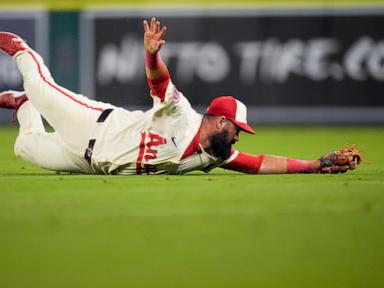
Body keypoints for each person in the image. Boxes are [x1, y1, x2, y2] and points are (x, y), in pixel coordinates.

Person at [0, 18, 361, 175]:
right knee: (40, 85)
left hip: (86, 162)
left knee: (24, 147)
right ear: (220, 121)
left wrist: (315, 165)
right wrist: (152, 54)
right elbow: (159, 82)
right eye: (237, 129)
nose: (238, 136)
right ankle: (18, 46)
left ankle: (23, 104)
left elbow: (261, 163)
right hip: (92, 126)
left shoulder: (213, 156)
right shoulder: (181, 114)